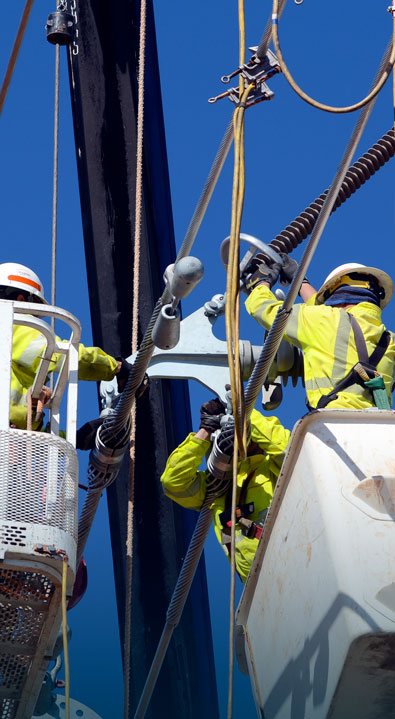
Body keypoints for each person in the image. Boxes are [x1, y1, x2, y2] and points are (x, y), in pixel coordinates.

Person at [161, 398, 290, 583]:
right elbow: (173, 481)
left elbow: (285, 447)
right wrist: (206, 430)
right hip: (259, 589)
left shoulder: (272, 469)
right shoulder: (215, 491)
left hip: (292, 559)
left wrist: (242, 413)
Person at [243, 254, 395, 410]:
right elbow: (323, 314)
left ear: (336, 295)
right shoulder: (390, 341)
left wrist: (260, 282)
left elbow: (264, 308)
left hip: (333, 424)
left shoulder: (325, 320)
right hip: (380, 429)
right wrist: (301, 282)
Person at [0, 262, 131, 434]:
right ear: (22, 300)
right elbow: (60, 356)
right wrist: (115, 367)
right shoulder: (11, 326)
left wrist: (78, 437)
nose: (34, 319)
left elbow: (29, 436)